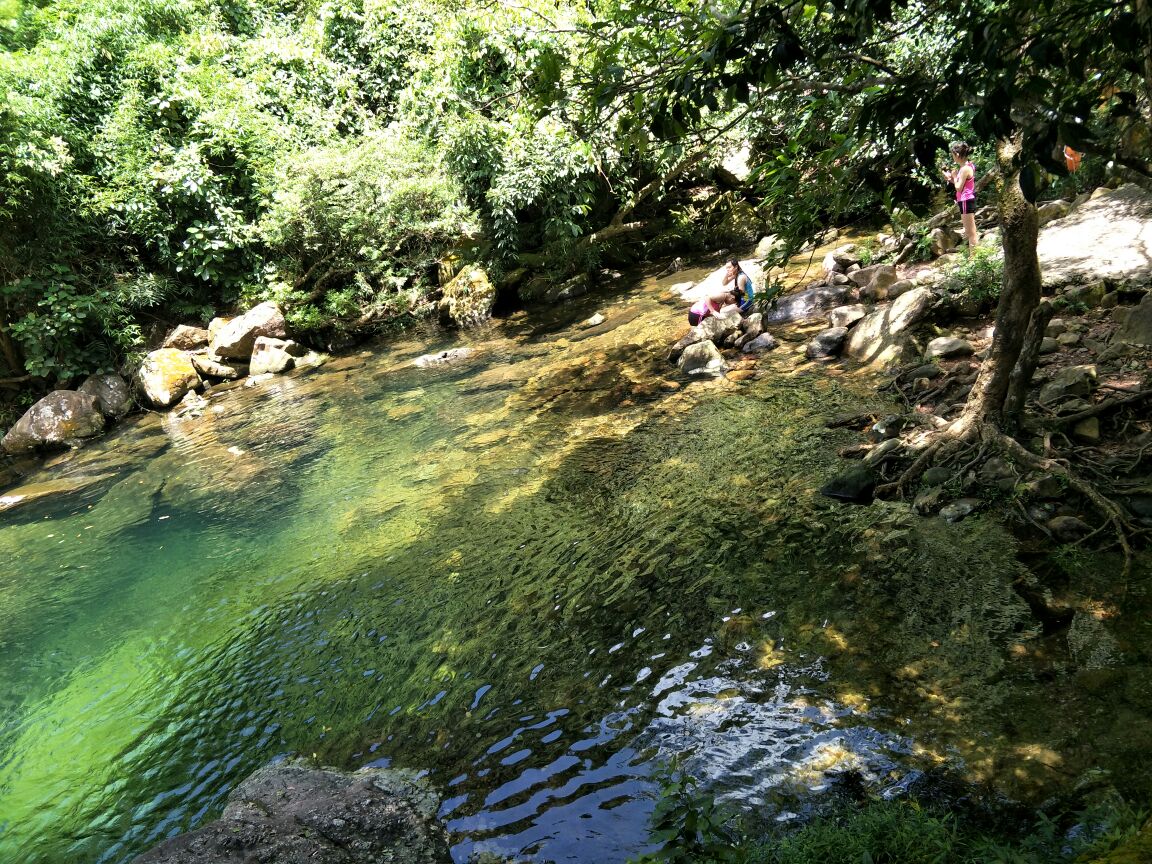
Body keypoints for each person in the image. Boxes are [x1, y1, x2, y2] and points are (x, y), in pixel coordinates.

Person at [943, 141, 978, 250]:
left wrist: (953, 175)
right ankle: (974, 257)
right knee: (970, 231)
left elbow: (958, 188)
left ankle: (974, 259)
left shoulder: (964, 169)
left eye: (953, 155)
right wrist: (951, 179)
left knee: (970, 232)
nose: (953, 158)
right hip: (966, 200)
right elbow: (962, 185)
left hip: (965, 200)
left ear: (957, 155)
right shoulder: (968, 166)